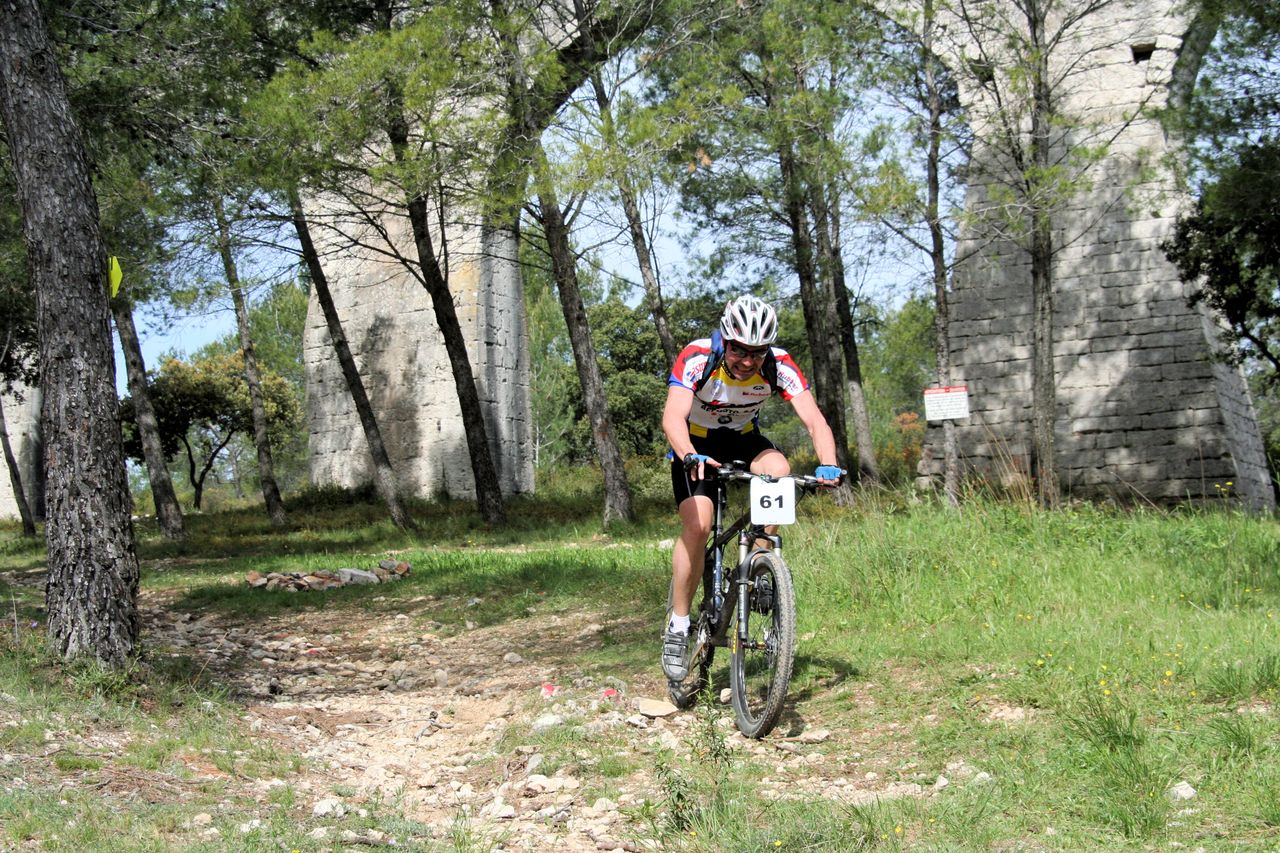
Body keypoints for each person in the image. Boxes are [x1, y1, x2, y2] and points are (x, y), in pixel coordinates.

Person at [660, 294, 843, 681]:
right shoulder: (698, 357)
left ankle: (759, 565)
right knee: (699, 525)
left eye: (757, 353)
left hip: (742, 439)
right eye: (739, 351)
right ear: (724, 341)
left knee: (779, 469)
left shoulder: (780, 365)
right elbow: (672, 417)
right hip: (695, 444)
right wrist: (688, 455)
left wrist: (828, 462)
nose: (747, 361)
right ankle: (678, 626)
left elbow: (814, 420)